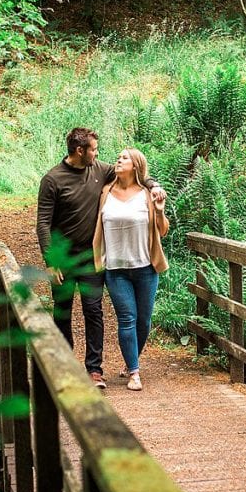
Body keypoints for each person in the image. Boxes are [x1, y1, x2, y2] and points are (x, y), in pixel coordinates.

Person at [36, 128, 165, 389]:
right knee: (62, 312)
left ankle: (94, 369)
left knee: (93, 311)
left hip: (90, 257)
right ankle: (65, 368)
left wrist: (153, 185)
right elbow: (42, 224)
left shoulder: (99, 170)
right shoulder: (52, 179)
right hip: (62, 259)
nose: (98, 154)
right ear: (80, 151)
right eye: (93, 149)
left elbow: (137, 174)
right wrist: (50, 262)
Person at [92, 148, 169, 392]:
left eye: (124, 158)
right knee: (127, 318)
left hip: (146, 267)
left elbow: (163, 230)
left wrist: (159, 211)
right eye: (119, 157)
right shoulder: (105, 192)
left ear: (135, 165)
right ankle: (134, 373)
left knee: (143, 321)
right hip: (116, 269)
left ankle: (130, 361)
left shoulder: (147, 194)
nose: (118, 159)